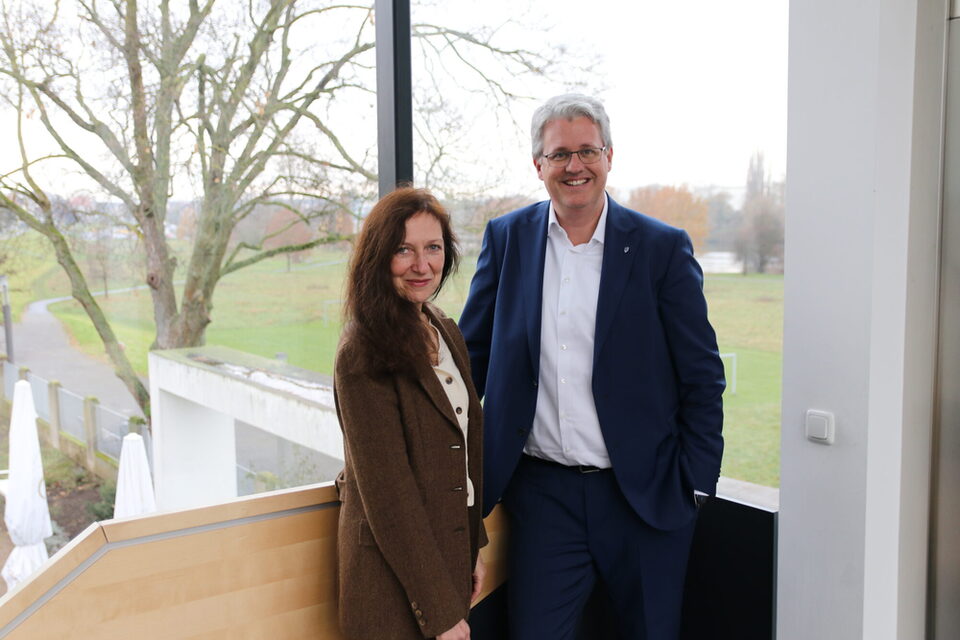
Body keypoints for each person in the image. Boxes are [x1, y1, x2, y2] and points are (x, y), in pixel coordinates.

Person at [459, 93, 725, 639]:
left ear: (609, 156)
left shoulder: (661, 249)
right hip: (542, 500)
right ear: (539, 165)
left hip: (644, 499)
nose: (574, 166)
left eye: (587, 151)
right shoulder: (506, 240)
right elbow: (471, 364)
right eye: (559, 155)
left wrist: (694, 484)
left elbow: (703, 376)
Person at [334, 187, 487, 640]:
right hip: (390, 583)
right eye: (404, 250)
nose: (422, 265)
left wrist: (473, 545)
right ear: (379, 258)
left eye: (433, 248)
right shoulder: (361, 351)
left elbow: (465, 448)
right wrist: (440, 612)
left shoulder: (443, 328)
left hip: (445, 561)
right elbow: (389, 496)